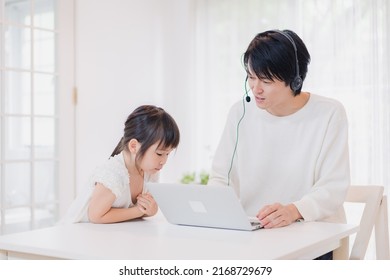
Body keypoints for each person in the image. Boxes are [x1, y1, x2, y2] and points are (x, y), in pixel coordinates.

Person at [208, 29, 350, 259]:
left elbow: (333, 188)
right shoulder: (239, 113)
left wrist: (294, 210)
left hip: (312, 240)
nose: (255, 88)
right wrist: (218, 210)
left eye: (266, 80)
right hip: (253, 240)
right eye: (251, 77)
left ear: (294, 81)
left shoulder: (329, 113)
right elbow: (221, 177)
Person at [60, 105, 180, 224]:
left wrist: (152, 210)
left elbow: (147, 209)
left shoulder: (150, 171)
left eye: (167, 154)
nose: (164, 161)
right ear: (134, 146)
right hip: (76, 233)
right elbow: (96, 216)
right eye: (159, 154)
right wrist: (138, 211)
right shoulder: (114, 172)